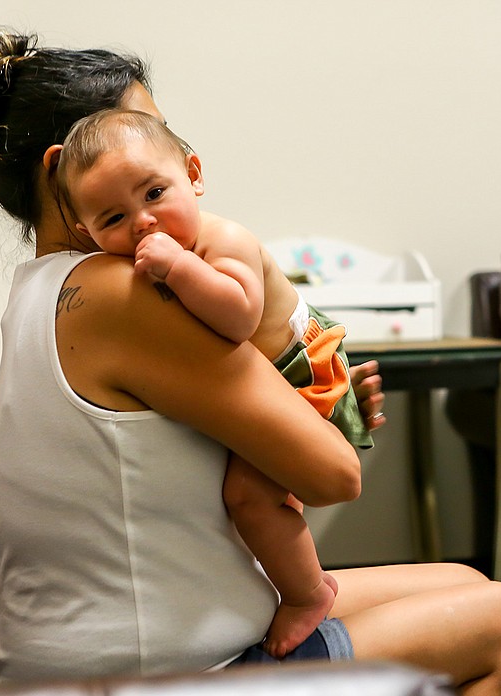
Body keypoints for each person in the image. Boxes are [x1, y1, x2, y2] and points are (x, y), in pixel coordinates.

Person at [0, 30, 501, 695]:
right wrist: (319, 419)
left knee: (461, 582)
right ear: (64, 170)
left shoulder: (40, 288)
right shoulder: (122, 293)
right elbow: (334, 475)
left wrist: (314, 408)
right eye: (148, 129)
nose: (179, 152)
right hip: (145, 670)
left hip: (84, 644)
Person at [56, 107, 372, 658]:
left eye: (154, 193)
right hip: (271, 376)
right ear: (85, 233)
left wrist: (178, 267)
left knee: (250, 498)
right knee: (253, 497)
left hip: (301, 370)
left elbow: (240, 316)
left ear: (194, 175)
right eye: (113, 219)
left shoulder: (224, 240)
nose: (143, 223)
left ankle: (308, 592)